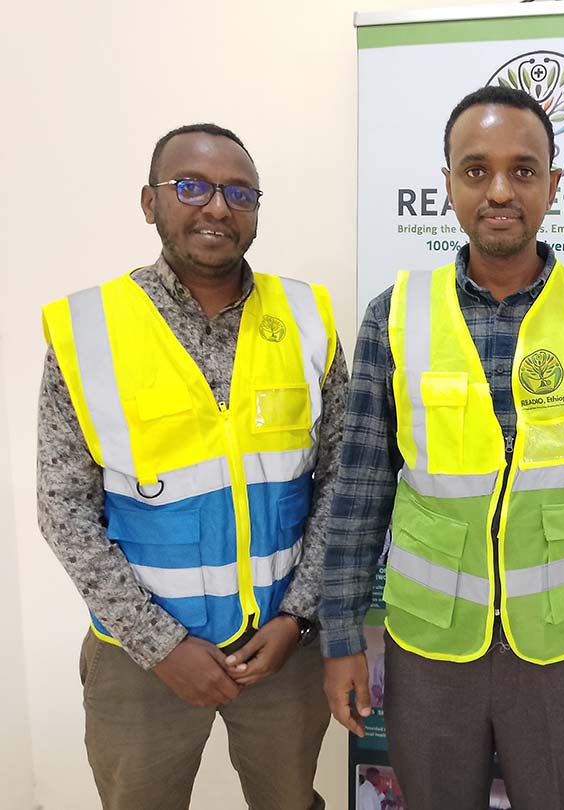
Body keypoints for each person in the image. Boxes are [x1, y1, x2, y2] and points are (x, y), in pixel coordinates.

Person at [320, 85, 564, 809]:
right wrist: (340, 636)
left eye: (523, 169)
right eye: (475, 170)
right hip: (432, 646)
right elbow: (359, 490)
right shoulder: (394, 316)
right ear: (447, 183)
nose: (500, 191)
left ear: (554, 183)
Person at [38, 123, 346, 810]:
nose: (216, 207)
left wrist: (296, 618)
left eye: (239, 192)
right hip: (139, 659)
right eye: (191, 187)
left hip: (280, 649)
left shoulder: (306, 317)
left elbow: (341, 486)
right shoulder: (90, 330)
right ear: (150, 202)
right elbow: (63, 511)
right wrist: (161, 645)